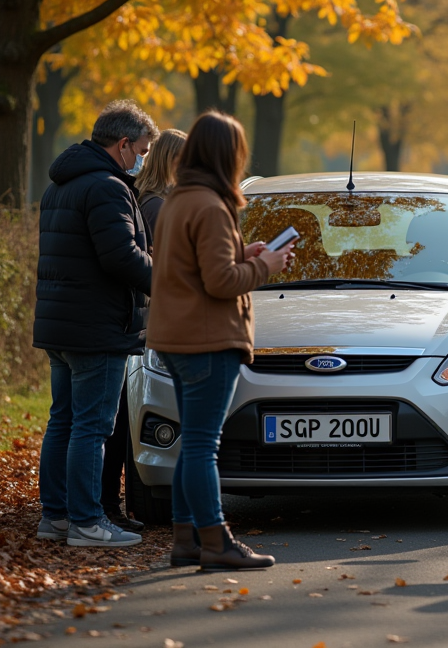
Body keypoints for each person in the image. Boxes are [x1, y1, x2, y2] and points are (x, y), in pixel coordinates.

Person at [147, 111, 293, 570]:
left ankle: (186, 539)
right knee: (202, 446)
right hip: (206, 340)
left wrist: (242, 253)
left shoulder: (178, 200)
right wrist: (265, 266)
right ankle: (216, 542)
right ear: (228, 156)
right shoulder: (211, 206)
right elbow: (220, 282)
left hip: (176, 337)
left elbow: (191, 266)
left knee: (191, 443)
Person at [33, 100, 157, 548]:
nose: (141, 160)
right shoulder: (107, 187)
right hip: (97, 326)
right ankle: (87, 522)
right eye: (141, 150)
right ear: (123, 144)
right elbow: (121, 256)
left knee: (63, 421)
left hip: (61, 324)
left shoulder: (61, 185)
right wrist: (169, 279)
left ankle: (56, 516)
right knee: (92, 426)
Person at [100, 128, 187, 531]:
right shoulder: (155, 205)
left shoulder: (151, 200)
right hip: (149, 322)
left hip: (143, 320)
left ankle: (106, 504)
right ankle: (105, 505)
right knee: (116, 422)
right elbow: (160, 265)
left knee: (115, 420)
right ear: (171, 160)